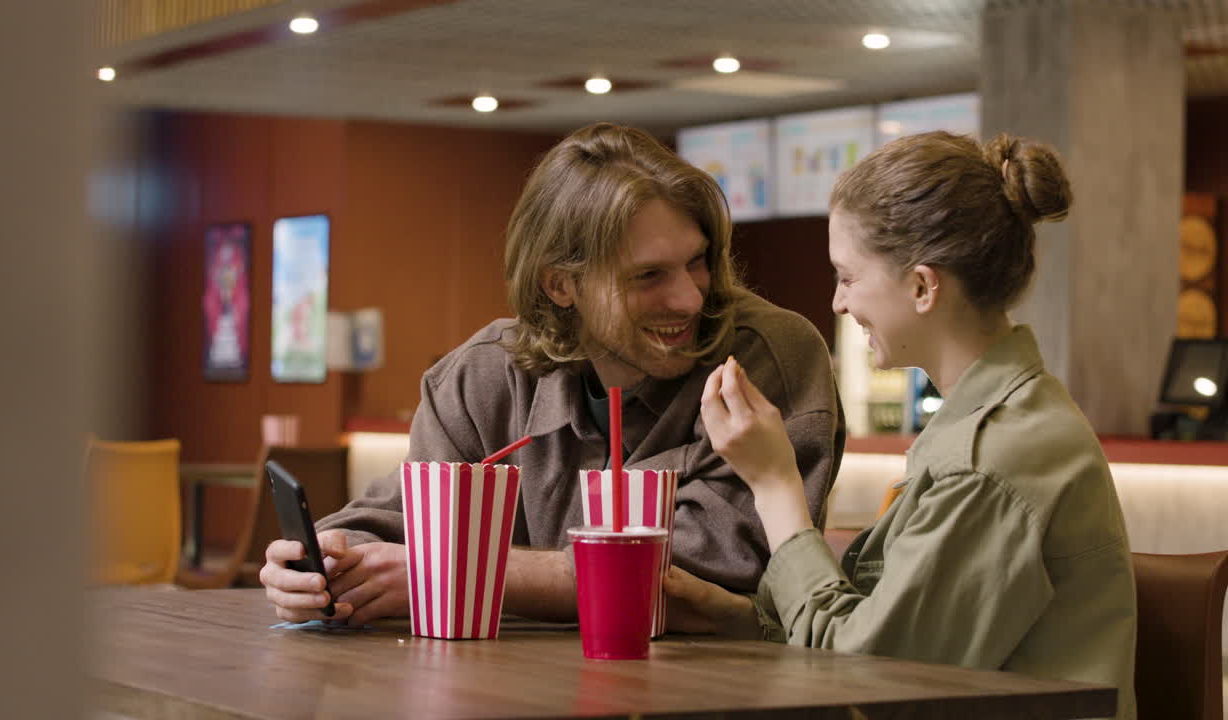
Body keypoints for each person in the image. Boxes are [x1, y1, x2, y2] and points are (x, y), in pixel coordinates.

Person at [260, 122, 845, 628]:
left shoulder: (768, 357)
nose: (690, 298)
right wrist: (323, 567)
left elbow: (706, 568)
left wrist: (448, 572)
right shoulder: (483, 375)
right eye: (648, 276)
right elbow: (398, 521)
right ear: (560, 284)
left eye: (696, 263)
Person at [667, 131, 1136, 720]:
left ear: (921, 286)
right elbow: (874, 625)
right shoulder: (1000, 425)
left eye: (847, 276)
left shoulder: (991, 462)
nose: (838, 302)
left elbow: (870, 683)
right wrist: (724, 613)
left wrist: (774, 483)